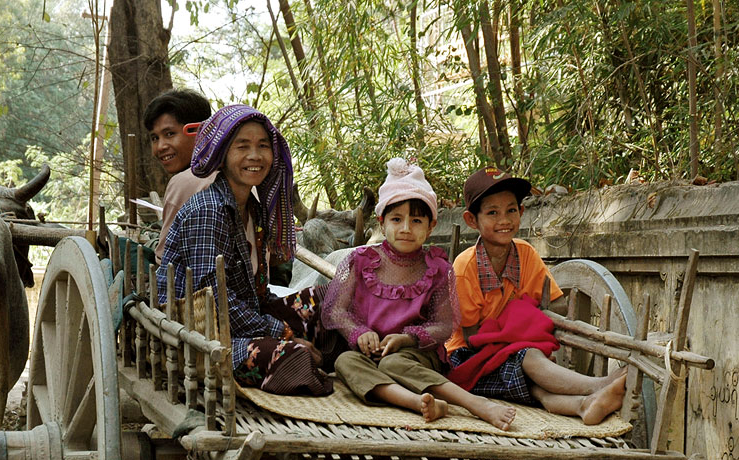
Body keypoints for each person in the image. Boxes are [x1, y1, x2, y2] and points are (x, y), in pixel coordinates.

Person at [156, 104, 340, 395]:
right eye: (243, 146)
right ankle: (314, 359)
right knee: (294, 357)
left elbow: (256, 293)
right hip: (204, 335)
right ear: (223, 154)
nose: (255, 156)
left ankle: (325, 357)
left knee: (327, 299)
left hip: (241, 318)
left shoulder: (253, 208)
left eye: (263, 146)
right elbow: (214, 302)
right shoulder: (208, 211)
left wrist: (282, 323)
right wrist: (282, 332)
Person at [322, 158, 517, 429]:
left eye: (416, 220)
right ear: (381, 222)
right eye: (396, 219)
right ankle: (419, 402)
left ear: (430, 227)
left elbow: (444, 326)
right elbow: (335, 310)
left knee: (393, 364)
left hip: (415, 355)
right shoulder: (361, 261)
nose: (405, 228)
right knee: (345, 361)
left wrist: (407, 338)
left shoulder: (437, 268)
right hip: (368, 352)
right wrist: (358, 333)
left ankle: (476, 404)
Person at [445, 166, 627, 425]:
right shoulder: (465, 268)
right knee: (528, 356)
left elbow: (557, 305)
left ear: (520, 212)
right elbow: (472, 337)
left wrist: (521, 320)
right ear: (472, 220)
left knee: (535, 383)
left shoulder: (526, 254)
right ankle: (597, 386)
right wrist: (519, 321)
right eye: (492, 213)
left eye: (511, 210)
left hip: (505, 351)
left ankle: (584, 406)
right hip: (466, 360)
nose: (504, 220)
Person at [142, 89, 214, 263]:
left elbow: (164, 257)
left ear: (199, 130)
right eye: (154, 138)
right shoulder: (237, 172)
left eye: (169, 134)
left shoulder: (184, 182)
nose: (160, 147)